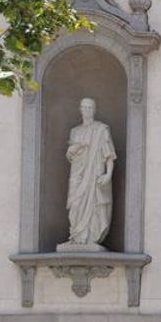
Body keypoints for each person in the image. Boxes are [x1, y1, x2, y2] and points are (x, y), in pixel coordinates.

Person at [62, 97, 116, 248]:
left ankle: (90, 237)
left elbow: (109, 154)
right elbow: (70, 155)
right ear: (80, 110)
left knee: (93, 204)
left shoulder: (101, 129)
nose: (86, 110)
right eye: (84, 107)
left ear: (94, 110)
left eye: (89, 107)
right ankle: (76, 235)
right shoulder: (75, 131)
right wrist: (74, 149)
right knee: (75, 204)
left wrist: (108, 174)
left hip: (94, 174)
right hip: (77, 174)